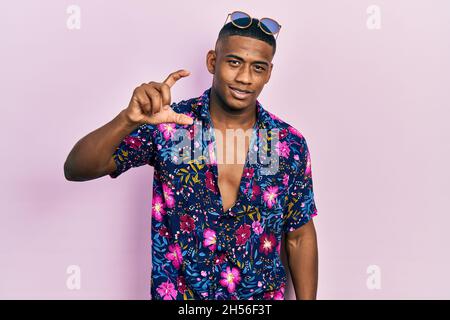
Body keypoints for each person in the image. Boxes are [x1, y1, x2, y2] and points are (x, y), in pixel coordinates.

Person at [64, 13, 319, 300]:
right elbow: (76, 168)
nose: (245, 78)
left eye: (257, 68)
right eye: (234, 62)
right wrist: (127, 120)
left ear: (268, 73)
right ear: (212, 61)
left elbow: (299, 235)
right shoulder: (173, 127)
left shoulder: (286, 143)